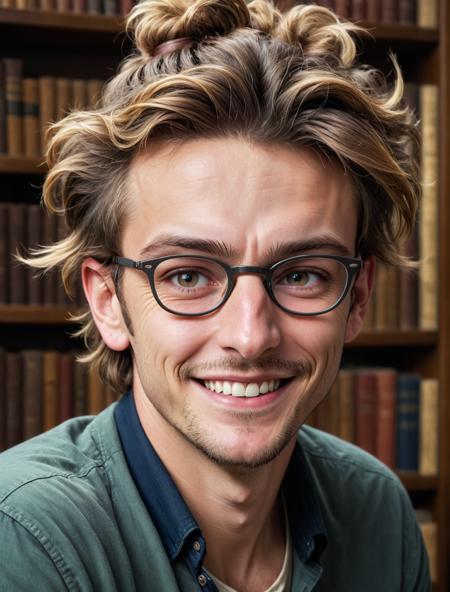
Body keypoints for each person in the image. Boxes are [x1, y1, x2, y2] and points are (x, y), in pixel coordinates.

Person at [0, 1, 431, 590]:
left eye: (302, 274)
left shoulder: (378, 512)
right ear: (108, 301)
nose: (251, 337)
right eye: (186, 275)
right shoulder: (23, 537)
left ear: (357, 297)